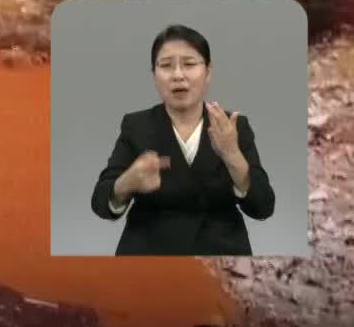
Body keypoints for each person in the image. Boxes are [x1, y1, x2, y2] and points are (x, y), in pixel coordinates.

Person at [90, 24, 275, 255]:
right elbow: (100, 201)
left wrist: (232, 155)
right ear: (154, 74)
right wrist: (127, 183)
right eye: (166, 66)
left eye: (189, 64)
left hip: (220, 255)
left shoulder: (234, 127)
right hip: (147, 255)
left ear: (208, 71)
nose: (178, 75)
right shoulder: (136, 126)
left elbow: (264, 206)